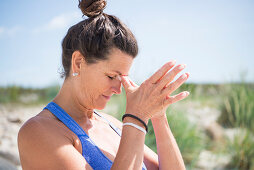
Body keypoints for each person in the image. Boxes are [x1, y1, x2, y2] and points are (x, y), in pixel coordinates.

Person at [17, 0, 190, 169]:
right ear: (78, 63)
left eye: (122, 78)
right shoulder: (38, 132)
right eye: (111, 76)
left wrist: (158, 116)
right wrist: (136, 118)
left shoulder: (113, 125)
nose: (118, 89)